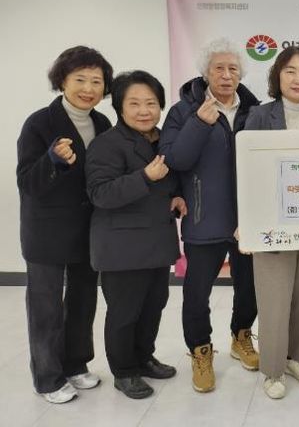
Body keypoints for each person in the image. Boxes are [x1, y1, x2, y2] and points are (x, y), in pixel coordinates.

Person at [159, 38, 260, 393]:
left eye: (233, 69)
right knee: (196, 293)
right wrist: (199, 124)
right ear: (206, 73)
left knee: (249, 288)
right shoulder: (183, 111)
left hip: (248, 220)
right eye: (219, 68)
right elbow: (174, 160)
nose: (227, 75)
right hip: (204, 217)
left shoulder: (254, 111)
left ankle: (241, 336)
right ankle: (200, 351)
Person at [16, 46, 113, 403]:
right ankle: (47, 378)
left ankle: (75, 364)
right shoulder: (39, 123)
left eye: (96, 81)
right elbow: (27, 182)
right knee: (46, 308)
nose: (88, 88)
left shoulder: (102, 123)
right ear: (62, 81)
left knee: (83, 301)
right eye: (80, 79)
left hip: (88, 229)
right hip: (47, 232)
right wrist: (53, 160)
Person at [86, 71, 185, 399]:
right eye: (135, 104)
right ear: (119, 107)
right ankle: (124, 371)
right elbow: (100, 193)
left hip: (156, 242)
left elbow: (172, 178)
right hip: (122, 247)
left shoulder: (164, 140)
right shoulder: (107, 144)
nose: (144, 111)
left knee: (153, 306)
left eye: (151, 103)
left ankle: (144, 358)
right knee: (124, 313)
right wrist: (144, 176)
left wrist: (177, 194)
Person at [243, 46, 299, 400]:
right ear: (277, 76)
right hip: (271, 221)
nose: (298, 78)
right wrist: (246, 221)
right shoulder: (259, 115)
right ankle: (273, 369)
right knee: (274, 298)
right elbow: (245, 170)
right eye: (290, 71)